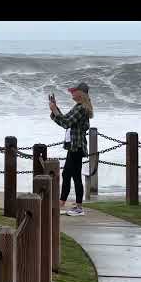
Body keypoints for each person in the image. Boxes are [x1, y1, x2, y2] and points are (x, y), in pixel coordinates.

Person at [49, 82, 93, 216]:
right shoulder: (78, 107)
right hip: (73, 146)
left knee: (75, 176)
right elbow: (65, 121)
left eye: (74, 91)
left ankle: (78, 207)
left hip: (77, 146)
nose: (72, 93)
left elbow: (66, 123)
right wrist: (54, 109)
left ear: (81, 94)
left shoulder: (81, 108)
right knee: (67, 174)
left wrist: (55, 110)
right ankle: (61, 202)